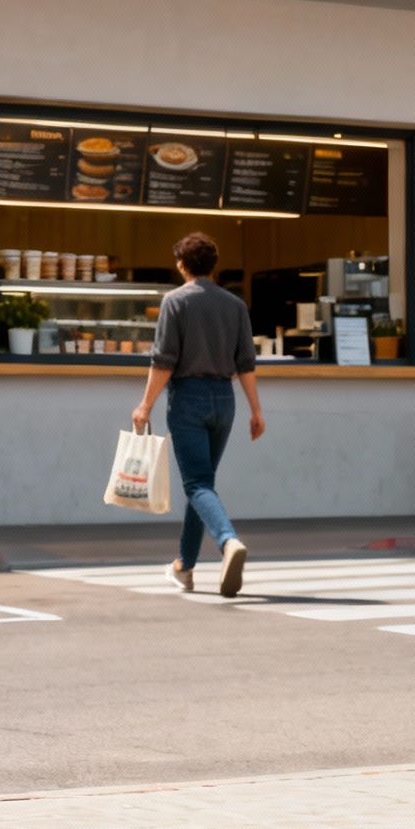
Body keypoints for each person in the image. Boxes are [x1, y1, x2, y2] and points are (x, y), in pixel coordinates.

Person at [132, 232, 264, 597]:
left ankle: (228, 540)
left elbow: (164, 361)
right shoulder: (235, 305)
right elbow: (246, 364)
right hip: (225, 400)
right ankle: (185, 567)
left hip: (188, 398)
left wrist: (145, 405)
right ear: (213, 265)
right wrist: (256, 410)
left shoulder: (175, 301)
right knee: (202, 483)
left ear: (181, 265)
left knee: (197, 484)